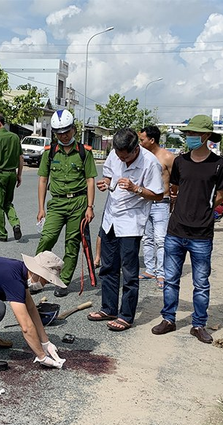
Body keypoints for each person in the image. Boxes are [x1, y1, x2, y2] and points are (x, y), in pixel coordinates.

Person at [151, 115, 223, 344]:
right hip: (176, 231)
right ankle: (168, 319)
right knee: (171, 279)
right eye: (188, 134)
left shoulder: (219, 164)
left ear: (205, 136)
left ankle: (198, 324)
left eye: (194, 134)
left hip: (202, 234)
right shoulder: (180, 162)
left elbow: (221, 195)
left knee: (201, 283)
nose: (189, 138)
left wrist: (205, 212)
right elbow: (174, 187)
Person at [87, 129, 164, 331]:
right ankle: (109, 308)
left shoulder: (150, 163)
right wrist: (106, 184)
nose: (123, 160)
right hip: (111, 217)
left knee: (129, 272)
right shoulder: (115, 154)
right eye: (119, 156)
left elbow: (157, 195)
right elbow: (110, 178)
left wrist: (135, 188)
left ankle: (126, 316)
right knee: (108, 266)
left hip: (132, 220)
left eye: (126, 157)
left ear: (136, 148)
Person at [36, 109, 97, 297]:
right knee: (47, 237)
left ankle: (63, 281)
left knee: (72, 244)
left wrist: (89, 207)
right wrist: (41, 207)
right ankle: (36, 276)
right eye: (59, 133)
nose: (63, 136)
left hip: (78, 203)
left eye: (66, 132)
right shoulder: (50, 152)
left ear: (73, 129)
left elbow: (90, 181)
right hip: (57, 203)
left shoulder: (84, 152)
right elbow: (43, 180)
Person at [138, 125, 175, 289]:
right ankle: (150, 270)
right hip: (145, 202)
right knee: (147, 239)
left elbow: (176, 181)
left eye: (142, 139)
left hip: (162, 203)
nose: (140, 142)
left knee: (161, 239)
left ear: (152, 140)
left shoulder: (167, 157)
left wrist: (174, 198)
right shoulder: (141, 156)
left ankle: (161, 273)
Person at [0, 113, 23, 242]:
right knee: (8, 202)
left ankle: (1, 233)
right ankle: (15, 223)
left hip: (0, 174)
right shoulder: (15, 137)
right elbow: (21, 157)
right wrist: (19, 174)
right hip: (12, 174)